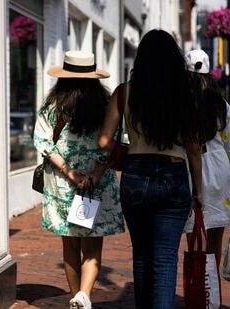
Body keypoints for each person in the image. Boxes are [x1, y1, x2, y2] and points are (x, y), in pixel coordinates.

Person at [98, 29, 203, 309]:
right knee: (165, 259)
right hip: (175, 173)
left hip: (136, 173)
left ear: (141, 59)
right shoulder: (185, 94)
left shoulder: (124, 92)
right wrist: (199, 192)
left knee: (142, 255)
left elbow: (104, 140)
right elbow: (193, 149)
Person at [33, 50, 124, 309]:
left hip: (64, 184)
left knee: (70, 244)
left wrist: (69, 172)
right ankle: (84, 295)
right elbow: (113, 141)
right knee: (93, 246)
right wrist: (94, 174)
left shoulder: (54, 104)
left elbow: (42, 141)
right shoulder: (107, 102)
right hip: (96, 184)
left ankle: (76, 297)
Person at [183, 49, 230, 269]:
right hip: (220, 169)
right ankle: (210, 292)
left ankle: (196, 290)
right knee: (215, 238)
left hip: (191, 169)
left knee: (193, 236)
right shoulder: (222, 106)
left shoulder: (181, 104)